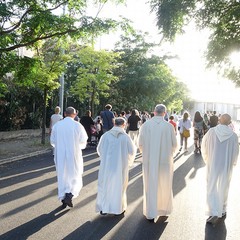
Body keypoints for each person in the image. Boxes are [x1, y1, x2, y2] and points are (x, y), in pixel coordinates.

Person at [138, 104, 177, 222]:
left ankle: (151, 212)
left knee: (150, 184)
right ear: (164, 113)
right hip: (165, 160)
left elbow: (140, 143)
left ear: (154, 112)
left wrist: (145, 152)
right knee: (164, 184)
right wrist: (171, 154)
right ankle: (163, 209)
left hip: (149, 160)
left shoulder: (145, 125)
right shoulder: (169, 126)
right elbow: (174, 144)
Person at [202, 114, 239, 225]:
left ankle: (212, 210)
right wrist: (233, 162)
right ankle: (221, 209)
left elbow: (204, 145)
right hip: (225, 165)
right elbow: (236, 152)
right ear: (229, 122)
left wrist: (207, 158)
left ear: (219, 120)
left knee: (212, 185)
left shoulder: (211, 132)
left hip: (213, 163)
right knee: (224, 186)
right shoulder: (233, 136)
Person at [96, 117, 137, 215]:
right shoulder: (125, 137)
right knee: (119, 186)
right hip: (120, 166)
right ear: (124, 124)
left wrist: (105, 158)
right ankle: (118, 209)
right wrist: (129, 161)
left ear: (114, 124)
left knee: (106, 185)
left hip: (107, 166)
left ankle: (104, 207)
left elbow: (99, 150)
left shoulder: (105, 136)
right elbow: (132, 151)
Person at [50, 107, 88, 208]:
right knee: (75, 174)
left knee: (62, 175)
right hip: (74, 154)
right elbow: (83, 141)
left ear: (65, 114)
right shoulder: (78, 126)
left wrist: (60, 147)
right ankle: (70, 194)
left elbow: (52, 141)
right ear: (74, 115)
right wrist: (76, 146)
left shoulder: (57, 126)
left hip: (60, 154)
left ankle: (63, 197)